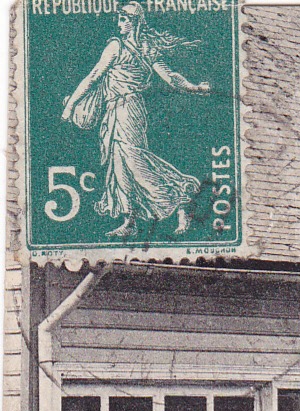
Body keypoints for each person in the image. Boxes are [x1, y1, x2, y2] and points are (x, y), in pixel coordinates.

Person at [61, 2, 211, 239]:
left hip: (128, 109)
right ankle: (129, 219)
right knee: (119, 165)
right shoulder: (128, 46)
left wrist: (194, 87)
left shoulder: (127, 47)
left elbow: (169, 77)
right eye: (119, 20)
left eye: (123, 20)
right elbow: (95, 77)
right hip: (114, 110)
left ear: (135, 22)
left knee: (133, 161)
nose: (119, 24)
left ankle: (181, 200)